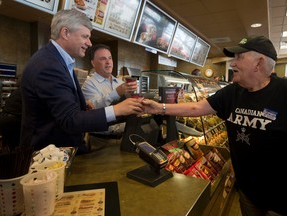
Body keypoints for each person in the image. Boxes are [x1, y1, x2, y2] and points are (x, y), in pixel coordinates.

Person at [142, 35, 287, 216]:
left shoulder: (283, 92)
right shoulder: (233, 92)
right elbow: (196, 107)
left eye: (239, 57)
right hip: (248, 193)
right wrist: (159, 107)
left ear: (259, 63)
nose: (232, 63)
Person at [20, 9, 143, 154]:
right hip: (49, 156)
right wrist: (117, 109)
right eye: (85, 36)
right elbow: (69, 119)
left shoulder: (60, 61)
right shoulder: (49, 65)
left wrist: (83, 108)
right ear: (65, 33)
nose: (89, 43)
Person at [81, 43, 137, 150]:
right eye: (103, 59)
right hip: (101, 141)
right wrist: (117, 92)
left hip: (124, 137)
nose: (108, 62)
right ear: (93, 63)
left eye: (110, 58)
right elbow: (94, 109)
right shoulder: (89, 84)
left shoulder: (120, 82)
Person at [0, 83, 22, 151]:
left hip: (4, 119)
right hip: (12, 122)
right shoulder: (27, 91)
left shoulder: (18, 90)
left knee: (9, 148)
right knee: (16, 150)